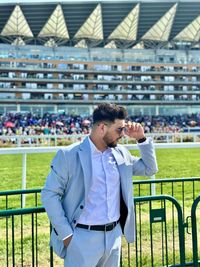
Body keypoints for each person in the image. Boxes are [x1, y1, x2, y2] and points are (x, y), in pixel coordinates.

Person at [41, 103, 158, 267]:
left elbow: (149, 168)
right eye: (119, 129)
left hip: (114, 236)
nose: (123, 134)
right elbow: (49, 194)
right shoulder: (68, 155)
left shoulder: (121, 153)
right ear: (102, 128)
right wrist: (67, 236)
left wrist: (141, 139)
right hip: (81, 238)